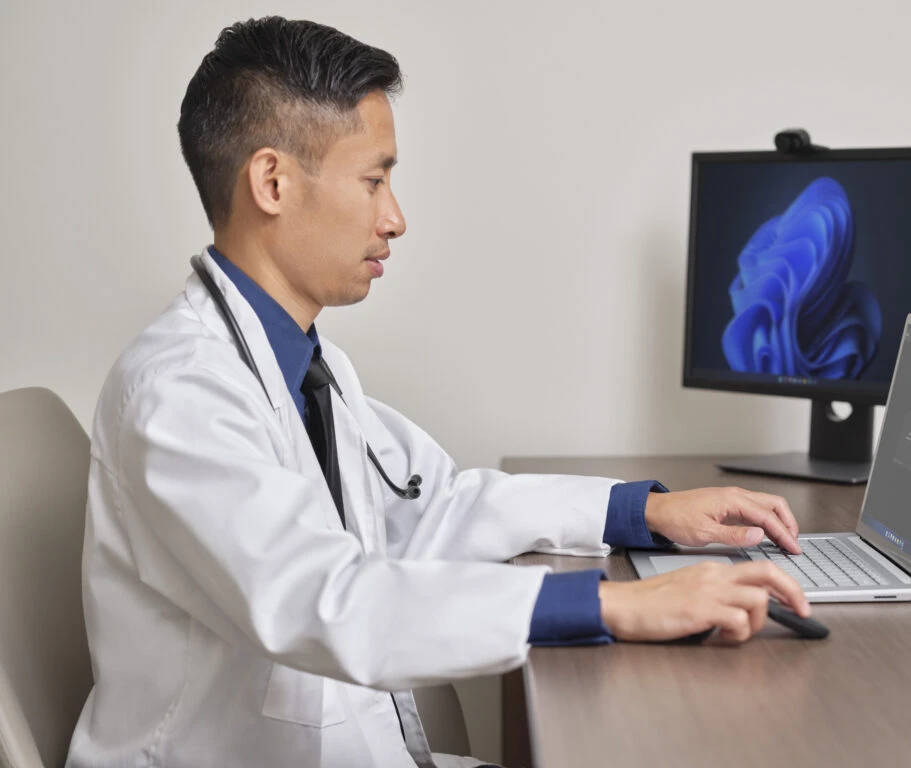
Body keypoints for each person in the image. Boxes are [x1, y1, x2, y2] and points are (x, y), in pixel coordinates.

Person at [67, 16, 812, 768]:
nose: (395, 218)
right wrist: (612, 604)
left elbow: (437, 505)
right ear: (272, 183)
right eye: (373, 180)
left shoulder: (310, 369)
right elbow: (323, 600)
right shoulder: (179, 393)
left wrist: (641, 512)